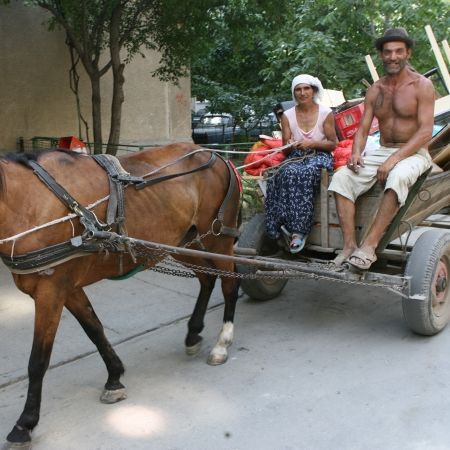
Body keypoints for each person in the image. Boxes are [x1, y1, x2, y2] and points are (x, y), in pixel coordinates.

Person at [328, 27, 435, 269]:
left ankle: (369, 248)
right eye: (388, 52)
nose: (393, 56)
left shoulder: (422, 86)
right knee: (342, 177)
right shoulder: (375, 90)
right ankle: (349, 246)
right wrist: (356, 152)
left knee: (396, 176)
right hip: (383, 151)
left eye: (399, 51)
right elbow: (363, 129)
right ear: (381, 55)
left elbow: (425, 132)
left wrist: (395, 159)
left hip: (415, 153)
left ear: (407, 53)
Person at [265, 74, 337, 253]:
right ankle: (279, 224)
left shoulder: (325, 113)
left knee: (304, 174)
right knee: (282, 173)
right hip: (296, 155)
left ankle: (299, 231)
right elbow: (285, 150)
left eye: (306, 88)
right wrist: (289, 144)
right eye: (298, 89)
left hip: (320, 154)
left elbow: (332, 143)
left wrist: (312, 143)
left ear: (313, 91)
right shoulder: (287, 115)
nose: (302, 93)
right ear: (294, 92)